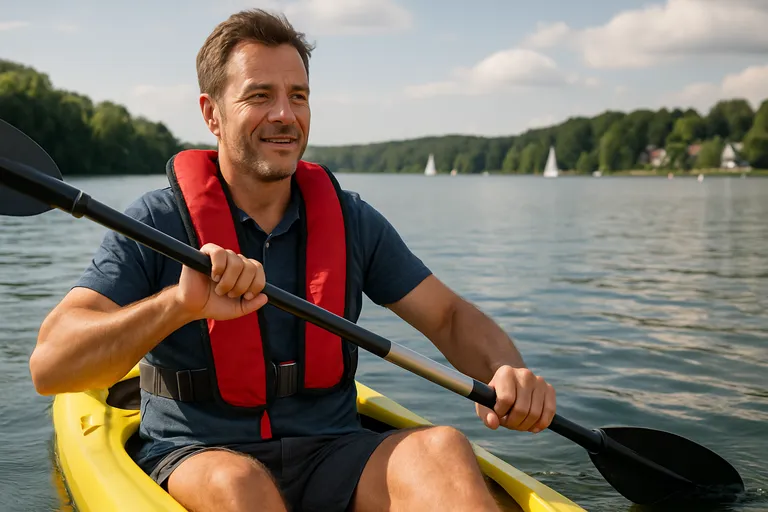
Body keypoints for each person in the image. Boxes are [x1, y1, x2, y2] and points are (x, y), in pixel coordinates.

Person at [30, 8, 556, 512]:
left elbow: (449, 315)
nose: (285, 115)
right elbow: (51, 366)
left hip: (333, 449)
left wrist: (506, 371)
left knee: (441, 449)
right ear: (211, 113)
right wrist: (177, 305)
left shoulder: (352, 220)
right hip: (198, 453)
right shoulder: (155, 221)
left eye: (297, 96)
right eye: (260, 96)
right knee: (238, 485)